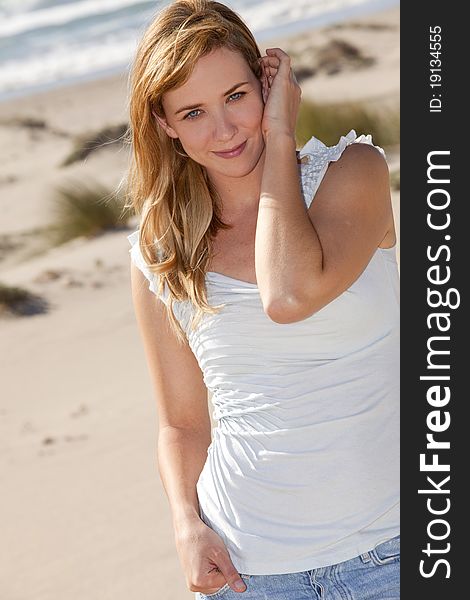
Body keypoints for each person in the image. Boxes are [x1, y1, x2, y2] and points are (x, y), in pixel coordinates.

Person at [125, 1, 400, 598]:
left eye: (236, 97)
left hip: (396, 553)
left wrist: (280, 139)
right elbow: (181, 421)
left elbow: (289, 292)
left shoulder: (352, 175)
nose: (222, 130)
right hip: (252, 571)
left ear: (268, 86)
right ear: (166, 125)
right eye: (192, 112)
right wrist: (185, 526)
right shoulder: (163, 248)